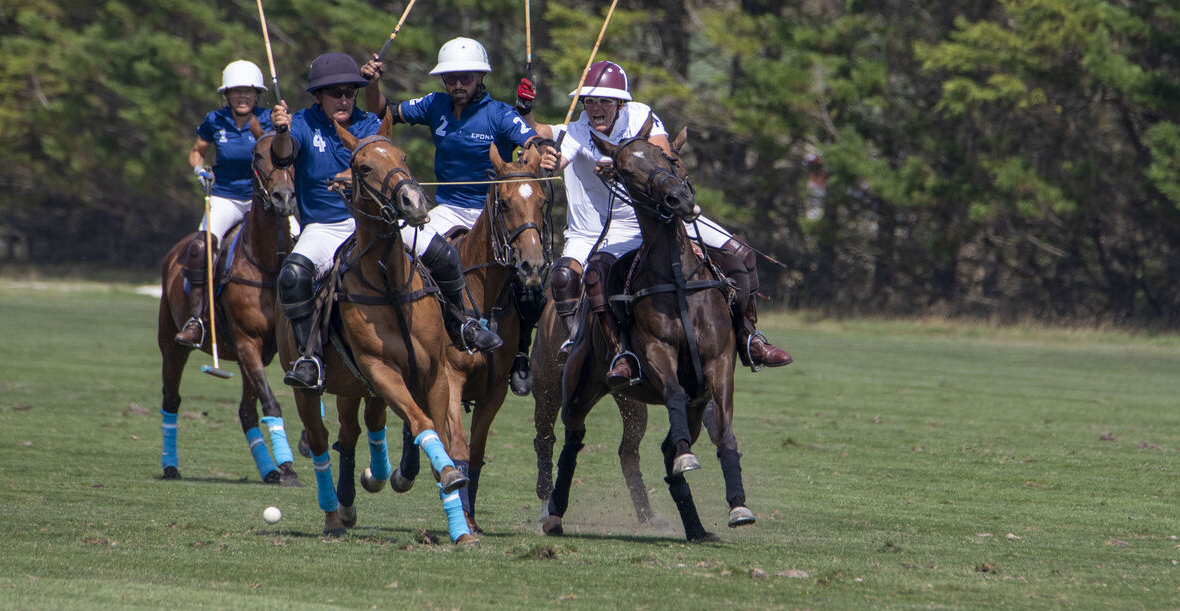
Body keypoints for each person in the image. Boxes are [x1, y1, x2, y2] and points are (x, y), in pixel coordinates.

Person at [521, 60, 791, 392]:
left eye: (604, 101)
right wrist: (535, 132)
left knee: (742, 254)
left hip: (657, 218)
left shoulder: (641, 116)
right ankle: (582, 342)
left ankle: (750, 338)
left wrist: (620, 165)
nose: (595, 108)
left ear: (620, 103)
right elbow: (544, 142)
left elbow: (662, 158)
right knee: (565, 277)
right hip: (602, 231)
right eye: (589, 101)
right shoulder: (577, 132)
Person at [362, 37, 559, 392]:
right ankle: (414, 335)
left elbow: (531, 140)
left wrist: (544, 151)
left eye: (465, 77)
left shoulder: (499, 113)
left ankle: (519, 353)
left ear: (480, 77)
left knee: (529, 283)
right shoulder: (434, 105)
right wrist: (372, 83)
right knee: (403, 246)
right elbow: (382, 111)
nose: (457, 84)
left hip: (493, 213)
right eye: (451, 78)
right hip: (448, 209)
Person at [269, 52, 384, 390]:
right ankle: (310, 358)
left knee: (433, 255)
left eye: (350, 92)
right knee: (292, 277)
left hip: (370, 225)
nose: (344, 99)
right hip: (323, 228)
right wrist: (281, 131)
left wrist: (353, 175)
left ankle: (455, 331)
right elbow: (283, 156)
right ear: (319, 96)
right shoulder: (303, 123)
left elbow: (381, 161)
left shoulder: (368, 123)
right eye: (335, 93)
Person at [174, 60, 275, 347]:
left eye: (248, 92)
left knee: (295, 240)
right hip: (225, 197)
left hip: (261, 199)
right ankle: (196, 319)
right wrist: (199, 170)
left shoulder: (268, 120)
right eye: (236, 91)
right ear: (226, 95)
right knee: (200, 248)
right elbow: (197, 151)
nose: (242, 97)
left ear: (257, 95)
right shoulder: (214, 120)